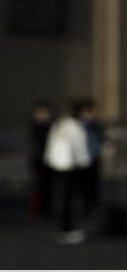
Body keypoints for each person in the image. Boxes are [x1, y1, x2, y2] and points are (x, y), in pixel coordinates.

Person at [43, 100, 92, 244]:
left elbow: (50, 145)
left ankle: (63, 227)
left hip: (58, 165)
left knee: (62, 197)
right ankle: (68, 229)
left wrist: (50, 160)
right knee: (69, 199)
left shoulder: (58, 125)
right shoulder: (75, 126)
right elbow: (80, 147)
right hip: (70, 166)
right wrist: (85, 162)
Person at [76, 99, 103, 217]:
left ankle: (92, 206)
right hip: (82, 160)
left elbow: (100, 140)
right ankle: (85, 208)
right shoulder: (78, 126)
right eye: (89, 112)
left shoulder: (95, 125)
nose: (92, 115)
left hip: (94, 158)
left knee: (93, 185)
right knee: (84, 186)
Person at [27, 100, 54, 219]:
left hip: (49, 159)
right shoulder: (35, 127)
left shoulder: (51, 126)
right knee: (39, 186)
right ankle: (37, 209)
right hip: (39, 159)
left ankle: (46, 208)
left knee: (48, 186)